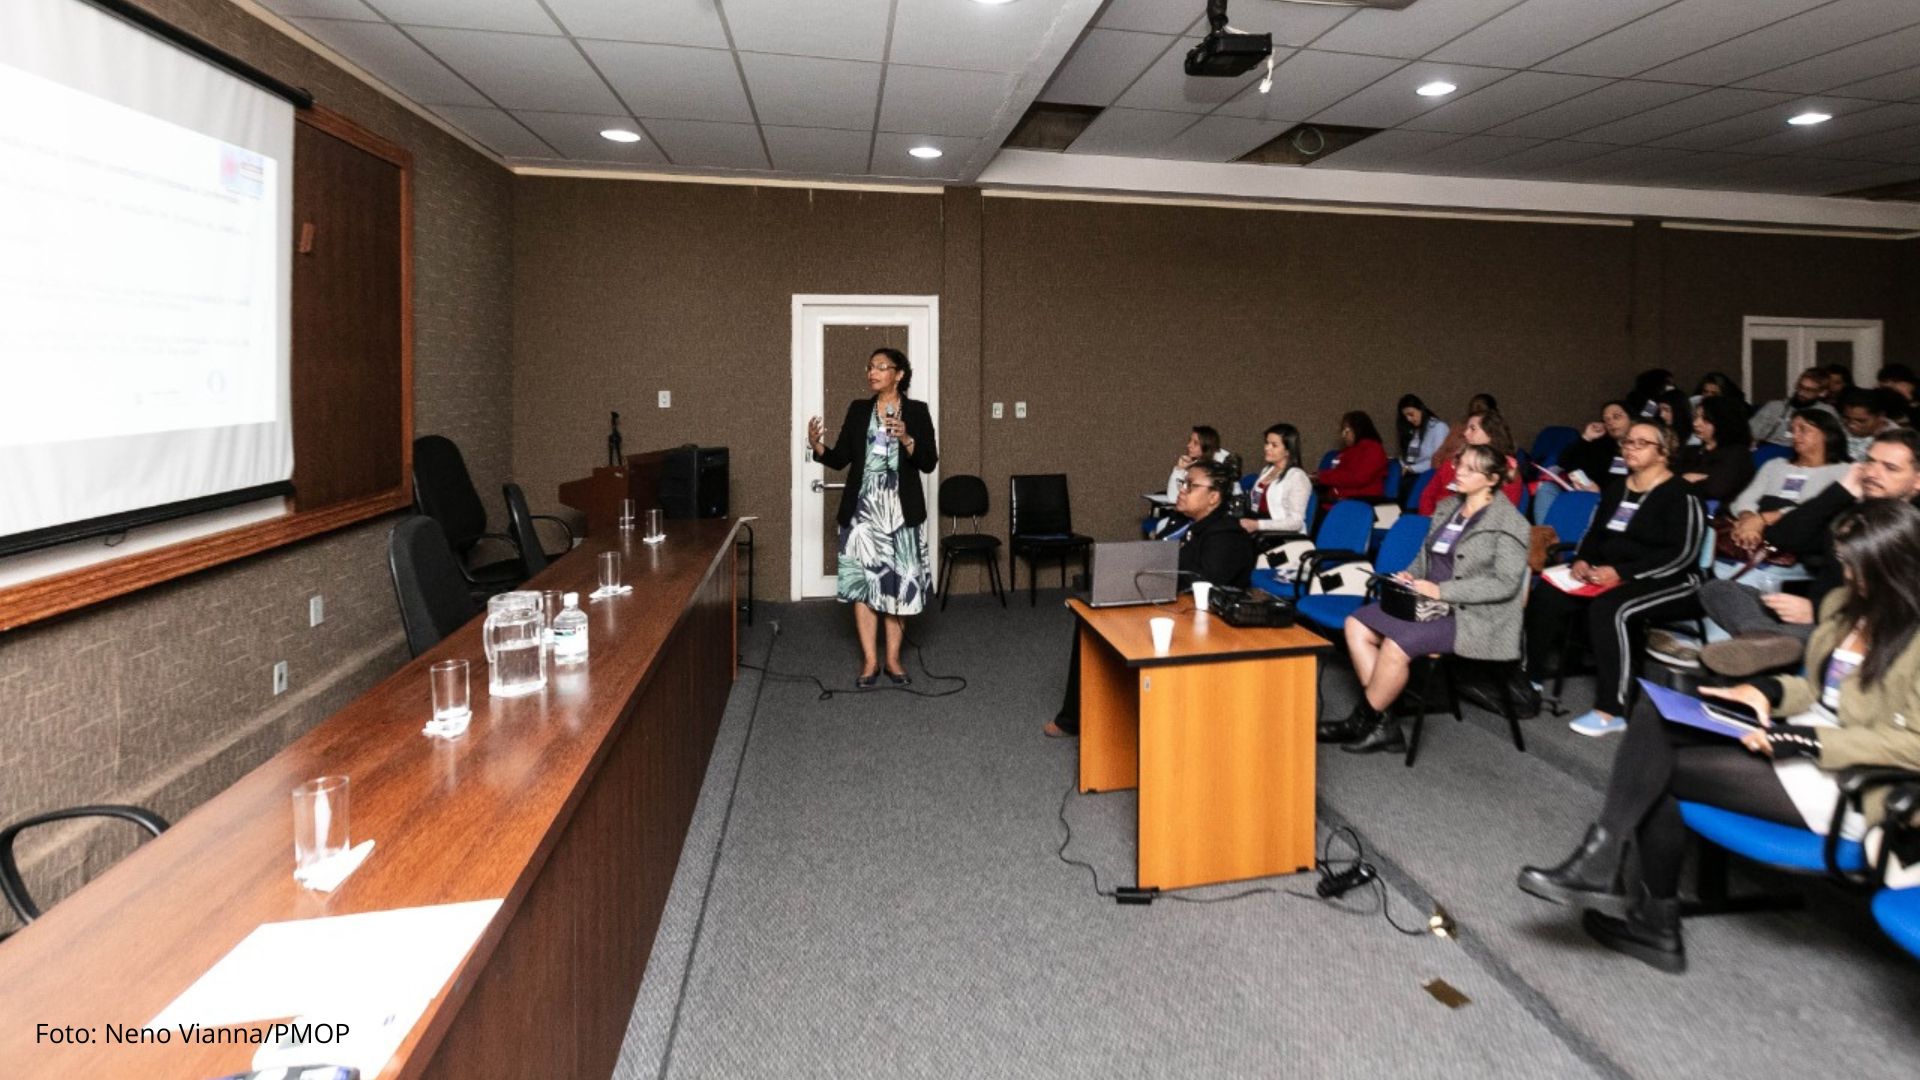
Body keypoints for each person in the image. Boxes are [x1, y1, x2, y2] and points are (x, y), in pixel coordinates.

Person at [1518, 499, 1920, 973]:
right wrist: (1765, 689)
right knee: (1656, 712)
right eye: (1845, 562)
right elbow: (1814, 687)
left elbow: (1912, 744)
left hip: (1852, 777)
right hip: (1796, 736)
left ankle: (1644, 912)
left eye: (1857, 566)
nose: (1846, 575)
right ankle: (1610, 868)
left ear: (1894, 566)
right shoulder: (1845, 606)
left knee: (1660, 775)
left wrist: (1810, 742)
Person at [1322, 445, 1532, 754]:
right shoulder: (1448, 508)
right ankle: (1384, 724)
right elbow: (1425, 558)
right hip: (1427, 604)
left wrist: (1442, 591)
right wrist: (1408, 576)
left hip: (1471, 616)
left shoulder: (1511, 523)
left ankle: (1361, 720)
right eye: (1460, 463)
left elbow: (1504, 584)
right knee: (1356, 623)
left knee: (1396, 644)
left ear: (1491, 479)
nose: (1458, 471)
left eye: (1469, 469)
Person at [1044, 459, 1254, 738]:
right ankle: (1080, 716)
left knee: (1111, 623)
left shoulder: (1226, 535)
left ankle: (1081, 719)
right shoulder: (1190, 525)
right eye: (1183, 483)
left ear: (1214, 497)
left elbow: (1201, 585)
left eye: (1191, 485)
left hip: (1206, 624)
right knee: (1091, 621)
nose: (1182, 490)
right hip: (1173, 605)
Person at [1523, 420, 1705, 737]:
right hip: (1609, 573)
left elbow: (1682, 554)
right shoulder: (1617, 487)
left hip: (1668, 579)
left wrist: (1621, 573)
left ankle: (1612, 709)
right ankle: (1531, 680)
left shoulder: (1680, 494)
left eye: (1640, 443)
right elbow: (1594, 535)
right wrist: (1582, 560)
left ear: (1663, 452)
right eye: (1627, 443)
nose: (1629, 448)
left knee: (1611, 608)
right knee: (1548, 594)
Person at [1695, 429, 1920, 676]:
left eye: (1890, 468)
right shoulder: (1852, 511)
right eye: (1870, 462)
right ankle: (1762, 637)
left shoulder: (1911, 530)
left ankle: (1769, 644)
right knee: (1717, 589)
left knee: (1809, 635)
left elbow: (1902, 606)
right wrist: (1840, 491)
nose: (1872, 473)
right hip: (1809, 612)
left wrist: (1819, 610)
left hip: (1857, 625)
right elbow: (1782, 537)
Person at [807, 347, 939, 688]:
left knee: (896, 587)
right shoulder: (858, 410)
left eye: (881, 367)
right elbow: (839, 460)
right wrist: (816, 446)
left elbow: (928, 462)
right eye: (870, 367)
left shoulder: (918, 412)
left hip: (900, 513)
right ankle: (869, 661)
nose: (872, 372)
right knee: (864, 586)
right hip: (862, 514)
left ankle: (893, 660)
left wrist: (907, 437)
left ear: (899, 375)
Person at [1716, 408, 1850, 593]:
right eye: (1792, 429)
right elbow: (1745, 499)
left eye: (1803, 429)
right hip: (1754, 539)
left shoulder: (1843, 472)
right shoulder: (1775, 465)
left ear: (1827, 434)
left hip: (1803, 545)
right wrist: (1748, 520)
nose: (1795, 435)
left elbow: (1816, 510)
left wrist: (1761, 520)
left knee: (1743, 581)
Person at [1418, 410, 1523, 516]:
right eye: (1467, 428)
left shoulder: (1506, 470)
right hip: (1437, 519)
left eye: (1473, 429)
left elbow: (1503, 513)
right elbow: (1428, 495)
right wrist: (1430, 519)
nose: (1465, 433)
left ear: (1491, 434)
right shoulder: (1453, 461)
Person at [1674, 395, 1755, 506]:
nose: (1696, 423)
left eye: (1705, 419)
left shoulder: (1737, 454)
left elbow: (1715, 490)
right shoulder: (1691, 451)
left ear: (1722, 422)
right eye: (1696, 417)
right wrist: (1684, 480)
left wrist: (1680, 481)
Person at [1240, 423, 1311, 536]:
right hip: (1258, 527)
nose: (1267, 448)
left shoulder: (1297, 477)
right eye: (1267, 443)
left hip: (1280, 536)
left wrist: (1258, 525)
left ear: (1288, 451)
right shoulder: (1267, 470)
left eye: (1274, 445)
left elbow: (1296, 522)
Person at [1315, 411, 1389, 503]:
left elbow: (1358, 478)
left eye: (1347, 431)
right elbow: (1339, 473)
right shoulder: (1349, 450)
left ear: (1358, 429)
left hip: (1359, 501)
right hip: (1339, 499)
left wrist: (1321, 477)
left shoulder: (1373, 449)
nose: (1343, 435)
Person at [1751, 369, 1838, 447]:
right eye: (1800, 387)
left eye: (1809, 390)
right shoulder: (1775, 407)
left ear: (1822, 393)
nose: (1801, 393)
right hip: (1770, 449)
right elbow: (1750, 433)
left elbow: (1838, 440)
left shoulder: (1826, 411)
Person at [1557, 401, 1632, 491]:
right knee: (1546, 487)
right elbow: (1564, 462)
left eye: (1616, 416)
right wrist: (1587, 437)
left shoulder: (1641, 448)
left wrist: (1599, 492)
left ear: (1631, 418)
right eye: (1606, 419)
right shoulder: (1603, 445)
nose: (1611, 422)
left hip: (1613, 500)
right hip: (1584, 494)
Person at [1394, 395, 1450, 483]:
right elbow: (1409, 457)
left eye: (1411, 414)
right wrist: (1405, 465)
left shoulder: (1438, 427)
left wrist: (1412, 468)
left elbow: (1438, 460)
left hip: (1429, 476)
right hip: (1413, 474)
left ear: (1420, 409)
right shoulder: (1414, 430)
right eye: (1406, 417)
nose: (1409, 419)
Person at [1433, 393, 1497, 468]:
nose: (1466, 433)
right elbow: (1439, 453)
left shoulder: (1492, 436)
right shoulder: (1457, 427)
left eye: (1480, 408)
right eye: (1474, 407)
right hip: (1441, 468)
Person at [1838, 386, 1898, 461]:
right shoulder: (1839, 428)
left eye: (1861, 421)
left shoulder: (1895, 440)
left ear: (1880, 416)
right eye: (1847, 419)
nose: (1851, 425)